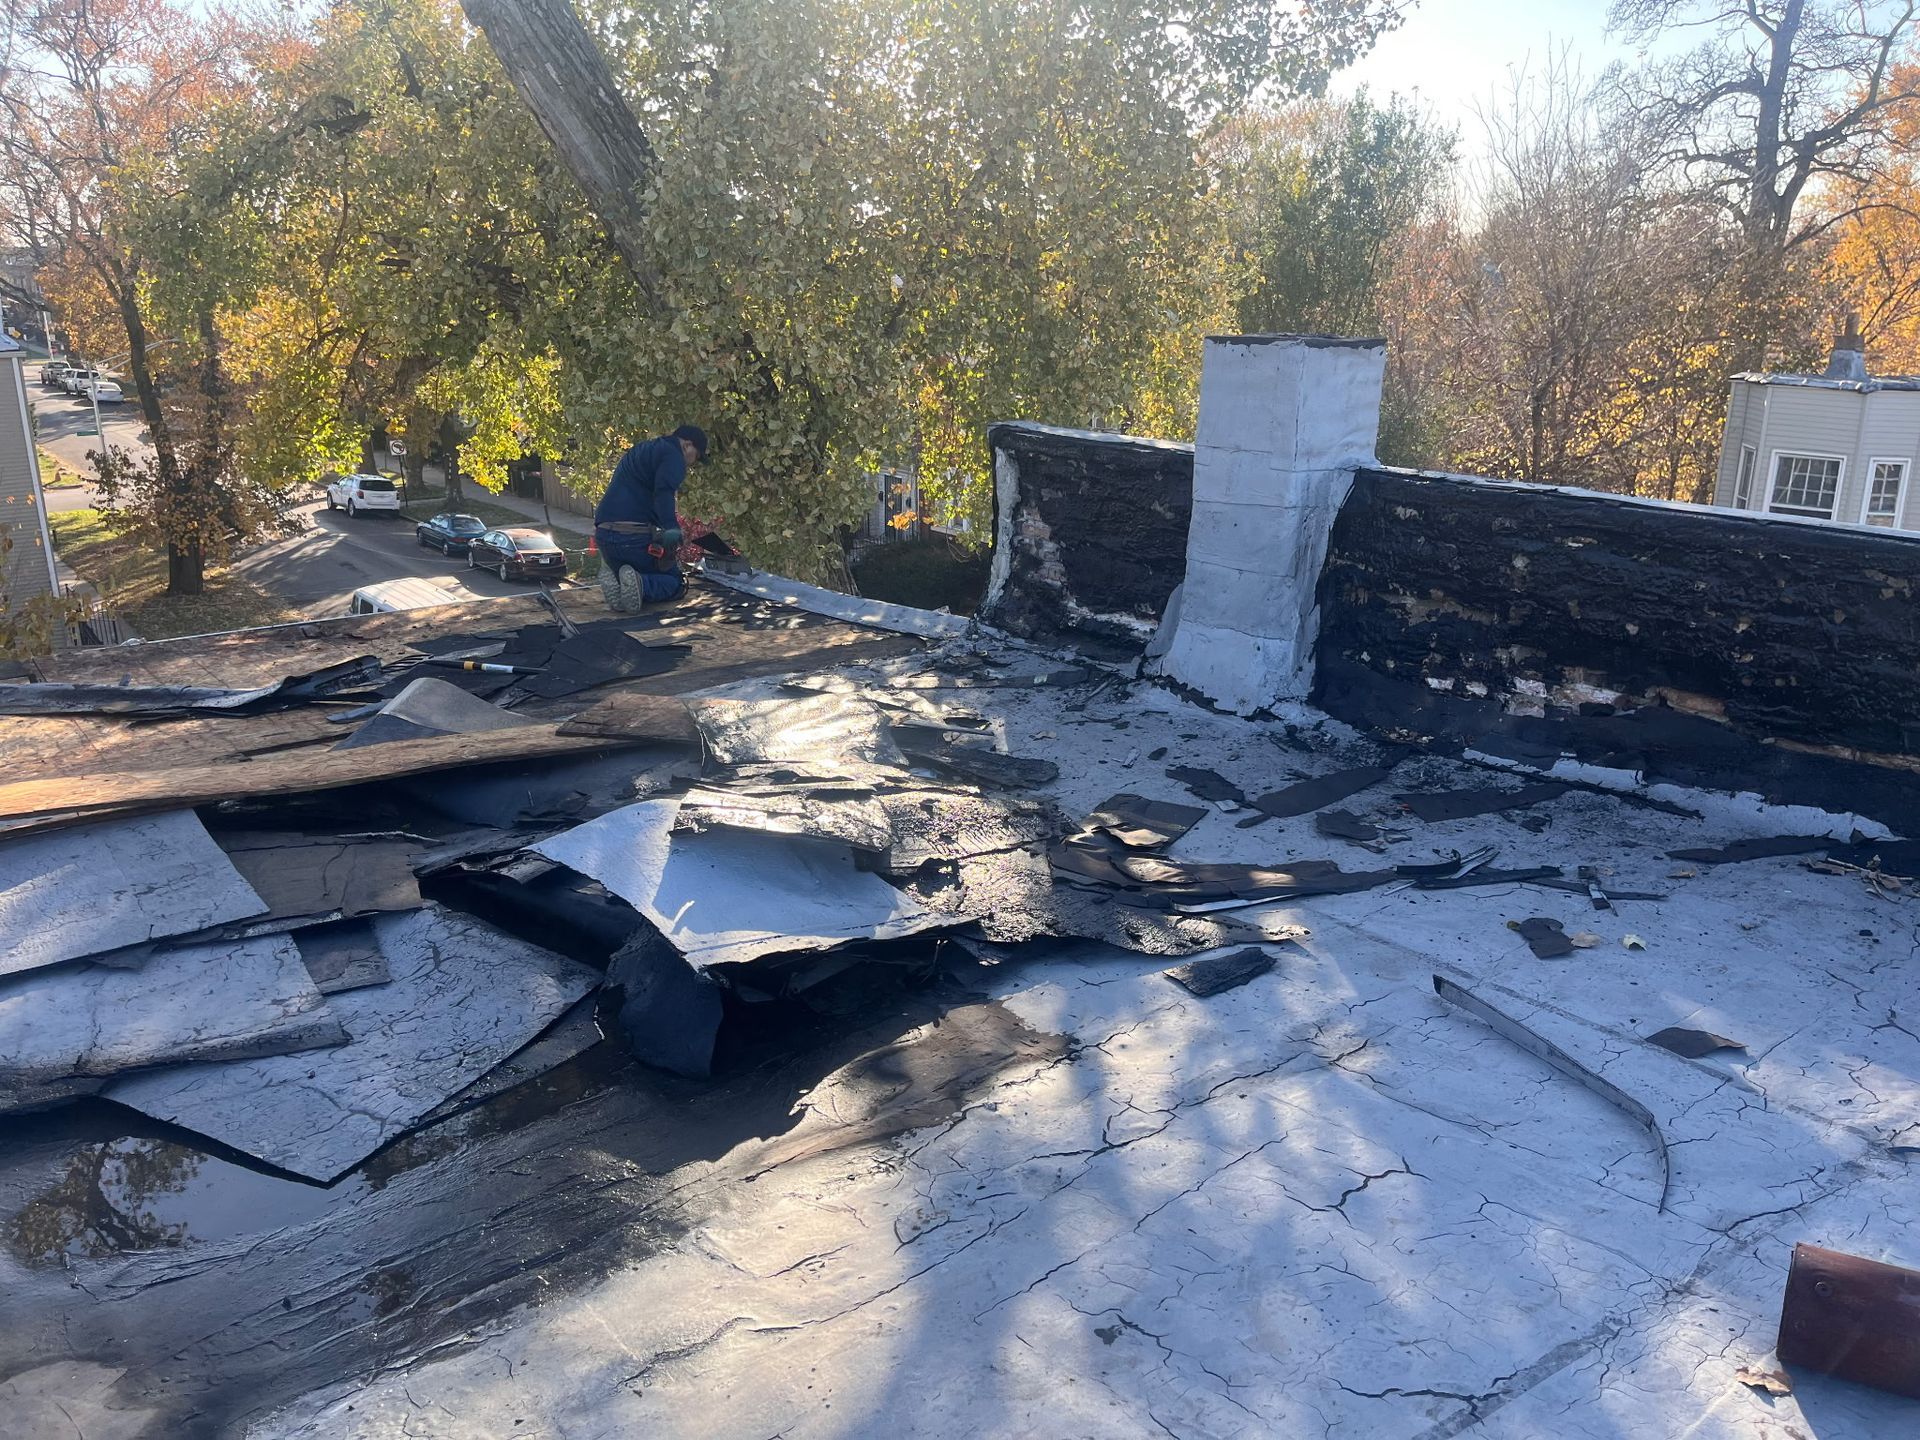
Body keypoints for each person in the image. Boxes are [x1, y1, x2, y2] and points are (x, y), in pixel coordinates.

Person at [595, 424, 707, 612]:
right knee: (675, 582)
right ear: (687, 445)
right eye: (696, 456)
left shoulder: (642, 449)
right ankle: (642, 584)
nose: (692, 463)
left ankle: (619, 581)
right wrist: (671, 528)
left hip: (604, 535)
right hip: (631, 538)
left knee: (628, 575)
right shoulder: (674, 456)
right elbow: (663, 493)